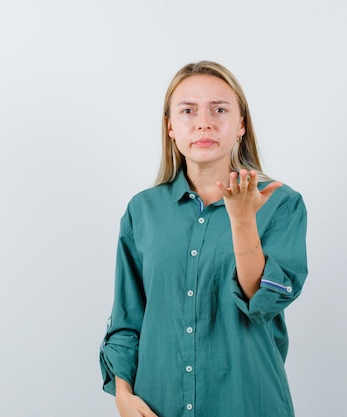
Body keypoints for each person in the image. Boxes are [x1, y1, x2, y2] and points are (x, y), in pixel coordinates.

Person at [99, 60, 308, 417]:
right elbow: (127, 318)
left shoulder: (281, 203)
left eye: (219, 109)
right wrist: (123, 394)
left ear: (241, 124)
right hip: (158, 405)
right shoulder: (143, 211)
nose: (203, 122)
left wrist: (242, 219)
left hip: (248, 403)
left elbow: (262, 303)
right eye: (188, 110)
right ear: (170, 128)